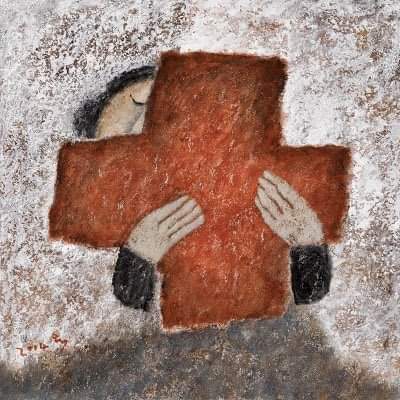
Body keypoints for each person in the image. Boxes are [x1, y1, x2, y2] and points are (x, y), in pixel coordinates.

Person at [74, 67, 331, 312]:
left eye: (145, 105)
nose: (143, 128)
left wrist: (309, 246)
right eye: (122, 147)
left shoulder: (270, 172)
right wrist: (138, 260)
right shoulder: (154, 226)